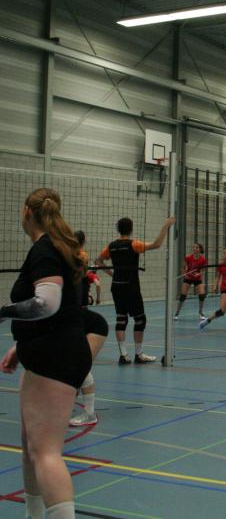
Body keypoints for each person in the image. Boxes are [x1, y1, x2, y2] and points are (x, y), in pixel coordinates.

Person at [1, 188, 91, 519]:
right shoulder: (55, 247)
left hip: (56, 356)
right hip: (47, 351)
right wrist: (21, 345)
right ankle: (34, 514)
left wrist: (3, 312)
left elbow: (47, 304)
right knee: (31, 446)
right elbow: (64, 308)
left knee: (46, 453)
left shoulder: (45, 250)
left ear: (27, 212)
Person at [96, 215, 175, 364]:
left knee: (121, 319)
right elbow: (156, 244)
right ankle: (139, 354)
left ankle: (124, 355)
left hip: (117, 286)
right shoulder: (134, 244)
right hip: (131, 287)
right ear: (131, 229)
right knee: (140, 319)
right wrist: (166, 226)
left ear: (118, 229)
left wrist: (112, 274)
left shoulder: (111, 246)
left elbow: (98, 261)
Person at [70, 230, 109, 427]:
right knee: (70, 365)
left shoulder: (80, 261)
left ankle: (89, 413)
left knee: (81, 364)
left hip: (94, 325)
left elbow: (94, 280)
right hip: (78, 319)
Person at [174, 243, 207, 321]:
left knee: (202, 295)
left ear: (200, 249)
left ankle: (200, 312)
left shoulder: (203, 259)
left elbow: (203, 270)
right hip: (189, 277)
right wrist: (185, 274)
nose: (194, 249)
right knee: (183, 296)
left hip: (197, 278)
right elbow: (183, 267)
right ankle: (177, 313)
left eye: (197, 247)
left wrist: (199, 274)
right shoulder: (188, 258)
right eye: (194, 247)